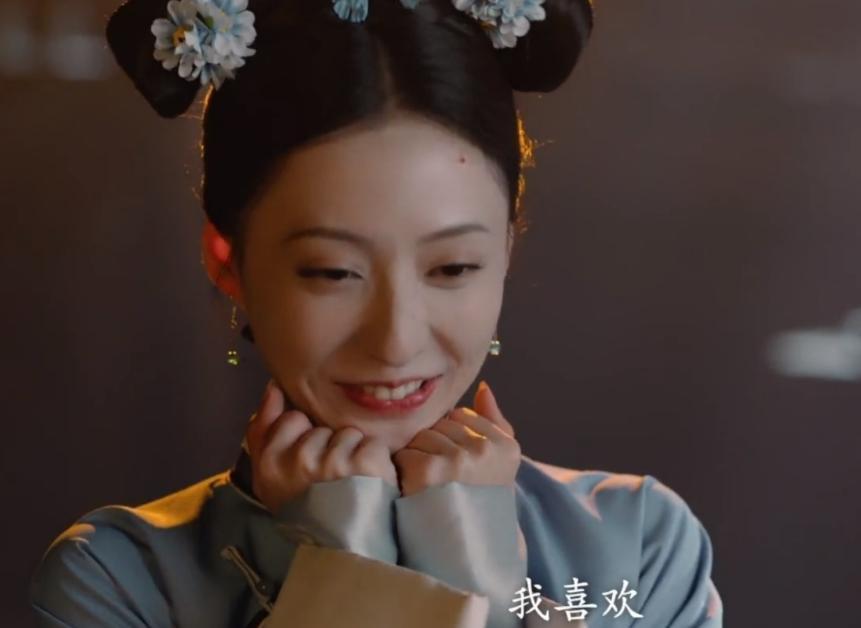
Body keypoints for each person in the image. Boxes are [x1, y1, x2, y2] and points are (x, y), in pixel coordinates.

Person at [29, 0, 724, 626]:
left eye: (453, 268)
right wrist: (345, 570)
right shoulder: (119, 581)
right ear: (226, 261)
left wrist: (478, 577)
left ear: (506, 251)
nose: (395, 340)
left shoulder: (641, 543)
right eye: (334, 272)